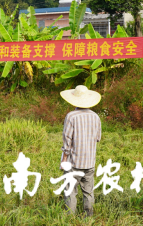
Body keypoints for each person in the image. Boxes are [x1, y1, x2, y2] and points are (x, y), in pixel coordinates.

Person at [59, 85, 102, 217]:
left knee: (71, 191)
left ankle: (70, 218)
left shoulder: (71, 116)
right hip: (89, 162)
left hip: (73, 162)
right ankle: (88, 218)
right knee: (88, 192)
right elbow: (98, 138)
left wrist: (64, 160)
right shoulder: (95, 117)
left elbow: (67, 141)